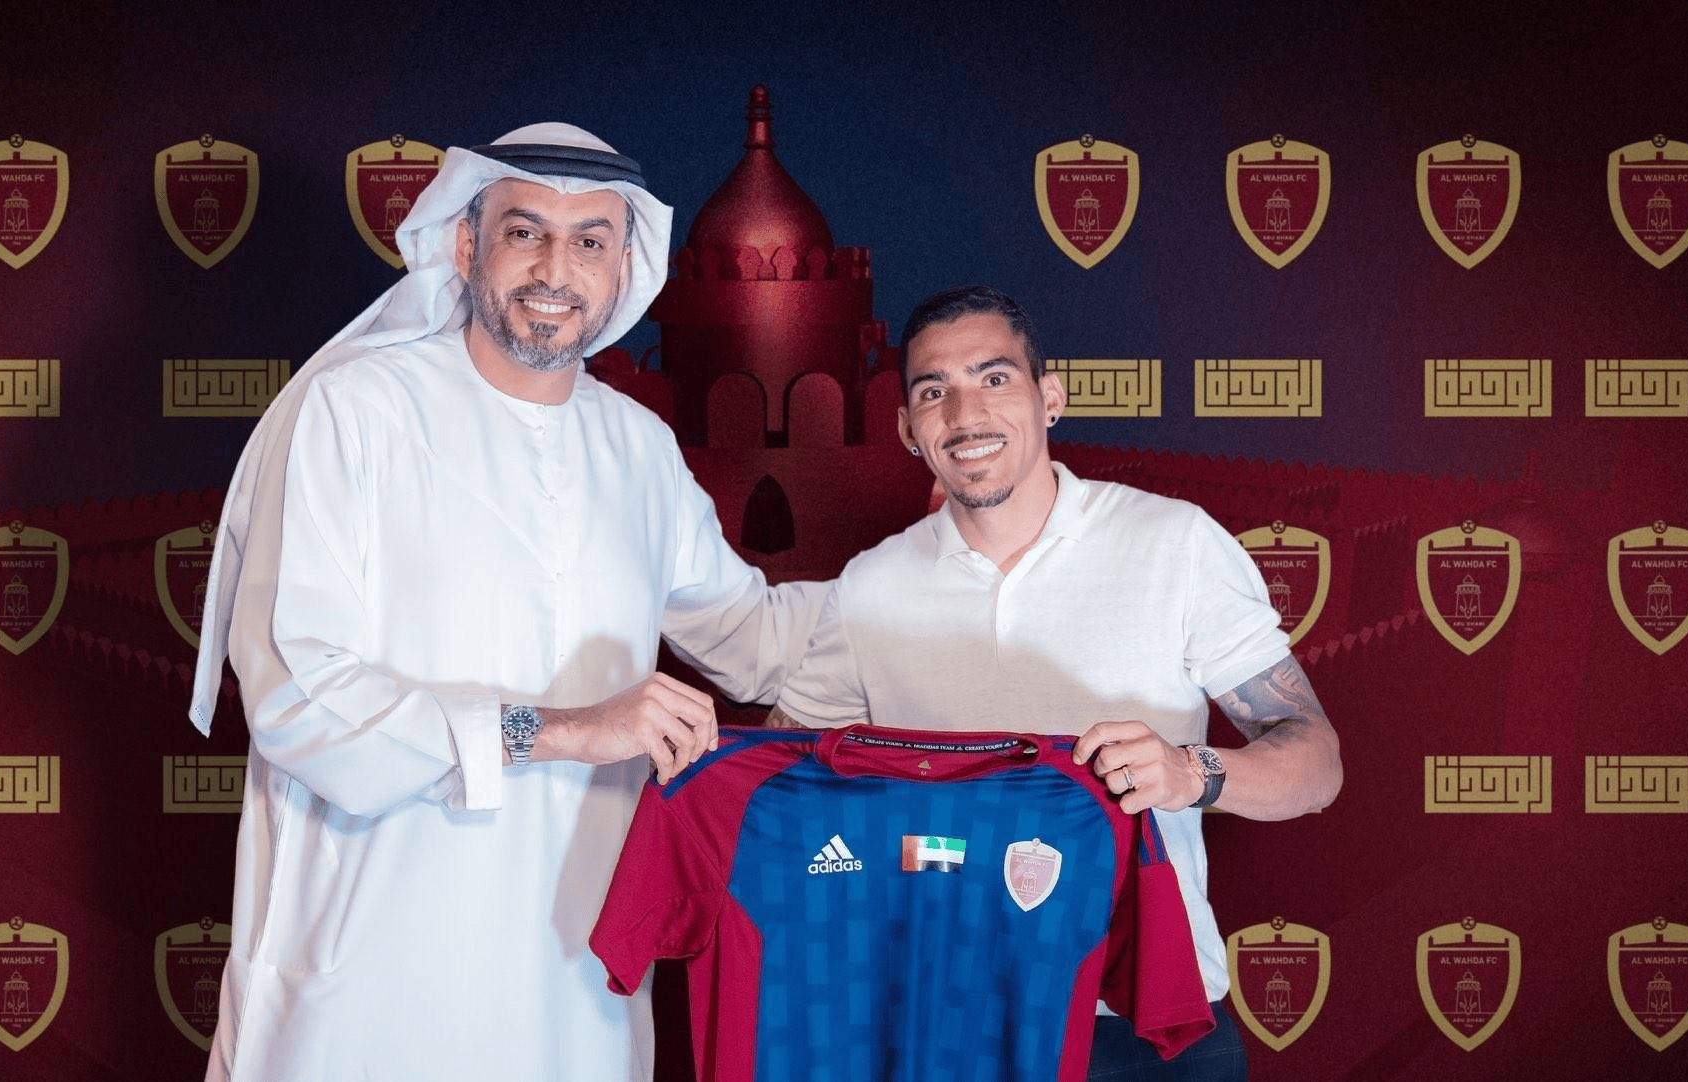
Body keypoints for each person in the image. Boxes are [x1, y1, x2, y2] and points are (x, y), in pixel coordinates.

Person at [186, 123, 825, 1082]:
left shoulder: (638, 449)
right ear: (464, 244)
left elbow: (756, 639)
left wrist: (952, 567)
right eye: (526, 233)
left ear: (625, 269)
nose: (556, 270)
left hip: (573, 983)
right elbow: (298, 700)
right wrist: (564, 731)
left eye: (590, 241)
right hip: (372, 974)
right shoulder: (357, 412)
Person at [768, 284, 1343, 1081]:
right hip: (943, 1019)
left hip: (1143, 1020)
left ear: (1051, 399)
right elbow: (782, 775)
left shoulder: (1173, 543)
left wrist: (1190, 772)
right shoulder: (870, 586)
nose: (964, 414)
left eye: (993, 378)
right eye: (933, 392)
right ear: (907, 430)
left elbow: (1317, 763)